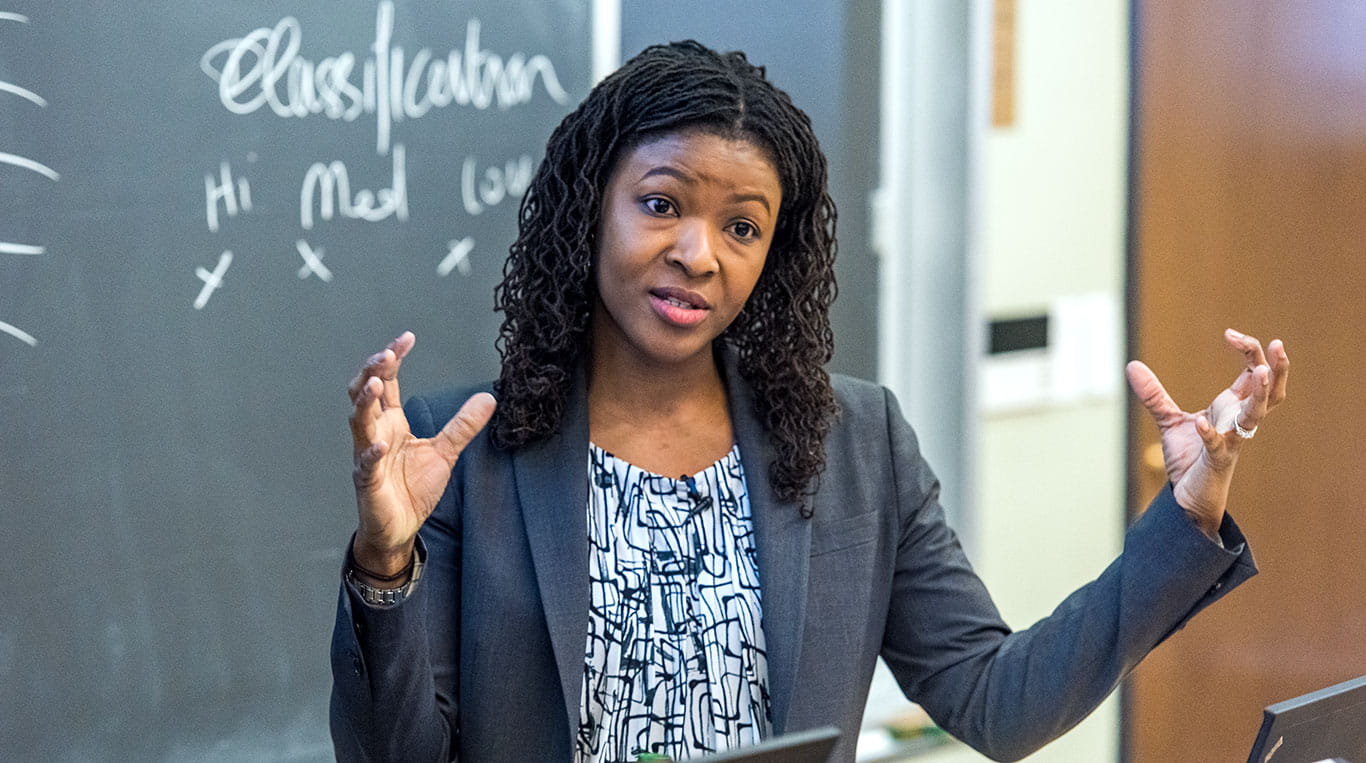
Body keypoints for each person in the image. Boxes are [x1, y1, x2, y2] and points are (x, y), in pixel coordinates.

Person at [329, 41, 1290, 763]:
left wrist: (1186, 516)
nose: (698, 254)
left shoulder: (856, 442)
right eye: (661, 204)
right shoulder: (464, 452)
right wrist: (385, 562)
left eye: (741, 227)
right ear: (592, 209)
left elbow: (1000, 701)